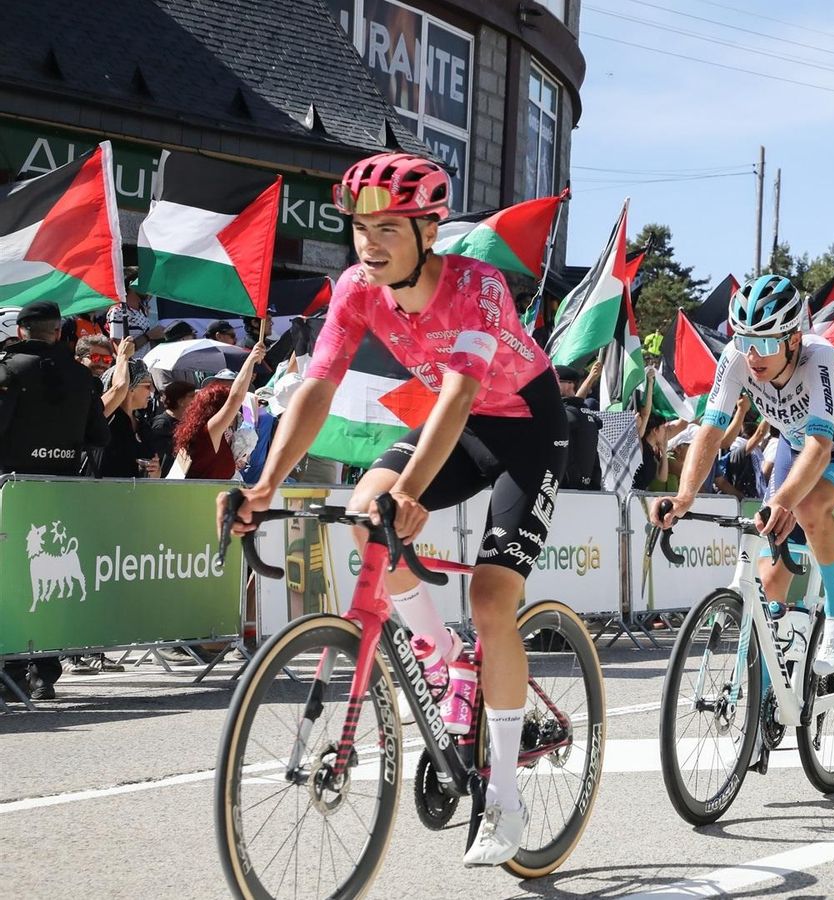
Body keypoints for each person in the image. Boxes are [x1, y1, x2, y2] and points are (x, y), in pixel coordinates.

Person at [223, 152, 566, 865]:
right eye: (359, 229)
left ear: (428, 231)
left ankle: (503, 798)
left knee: (493, 599)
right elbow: (315, 389)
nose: (368, 244)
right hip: (462, 424)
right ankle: (441, 661)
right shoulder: (356, 289)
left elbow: (459, 394)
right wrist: (264, 485)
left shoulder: (477, 287)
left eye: (386, 228)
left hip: (527, 427)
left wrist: (415, 490)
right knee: (365, 508)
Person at [650, 274, 834, 677]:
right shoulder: (737, 359)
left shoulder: (819, 359)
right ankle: (769, 692)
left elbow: (820, 447)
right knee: (767, 580)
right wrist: (687, 495)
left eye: (767, 343)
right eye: (744, 340)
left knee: (808, 506)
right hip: (798, 448)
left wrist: (781, 501)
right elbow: (709, 430)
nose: (754, 355)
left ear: (793, 339)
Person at [0, 300, 110, 699]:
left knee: (13, 582)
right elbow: (100, 436)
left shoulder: (9, 368)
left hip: (10, 488)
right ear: (59, 332)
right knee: (45, 586)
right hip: (59, 490)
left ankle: (11, 669)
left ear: (23, 329)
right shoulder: (81, 377)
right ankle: (45, 671)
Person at [176, 347, 268, 480]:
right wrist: (251, 360)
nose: (236, 412)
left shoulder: (212, 433)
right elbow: (236, 398)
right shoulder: (208, 432)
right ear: (218, 408)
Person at [98, 360, 159, 478]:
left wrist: (155, 471)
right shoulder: (107, 419)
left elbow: (155, 475)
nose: (152, 391)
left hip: (136, 494)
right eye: (147, 385)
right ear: (130, 388)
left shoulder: (143, 424)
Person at [556, 364, 603, 491]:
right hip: (588, 489)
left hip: (564, 490)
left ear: (570, 385)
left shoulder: (565, 415)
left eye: (556, 381)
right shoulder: (586, 414)